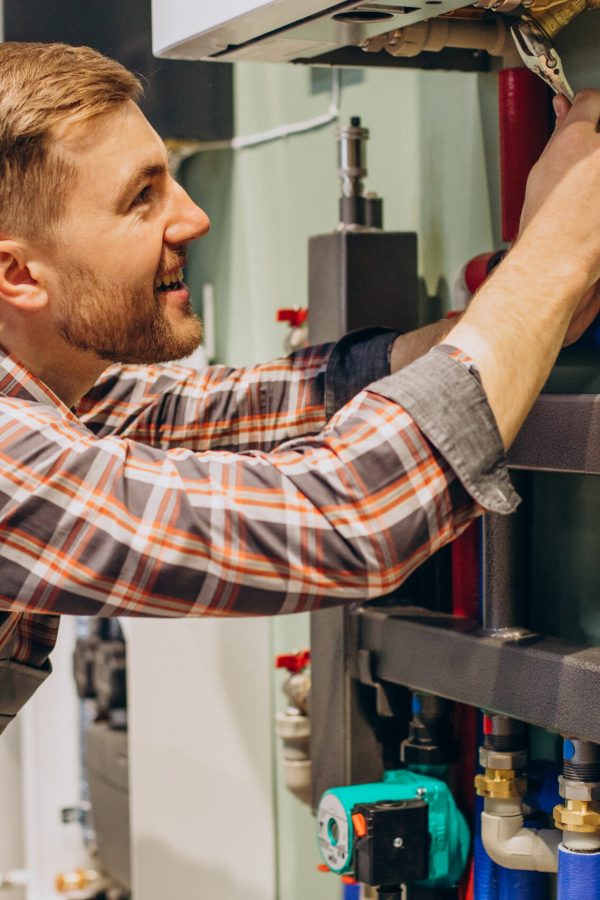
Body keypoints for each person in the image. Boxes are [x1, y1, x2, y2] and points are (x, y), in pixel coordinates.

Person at [0, 41, 597, 730]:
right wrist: (554, 261)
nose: (194, 218)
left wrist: (518, 313)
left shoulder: (49, 392)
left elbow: (217, 412)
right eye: (142, 196)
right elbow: (346, 517)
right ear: (17, 275)